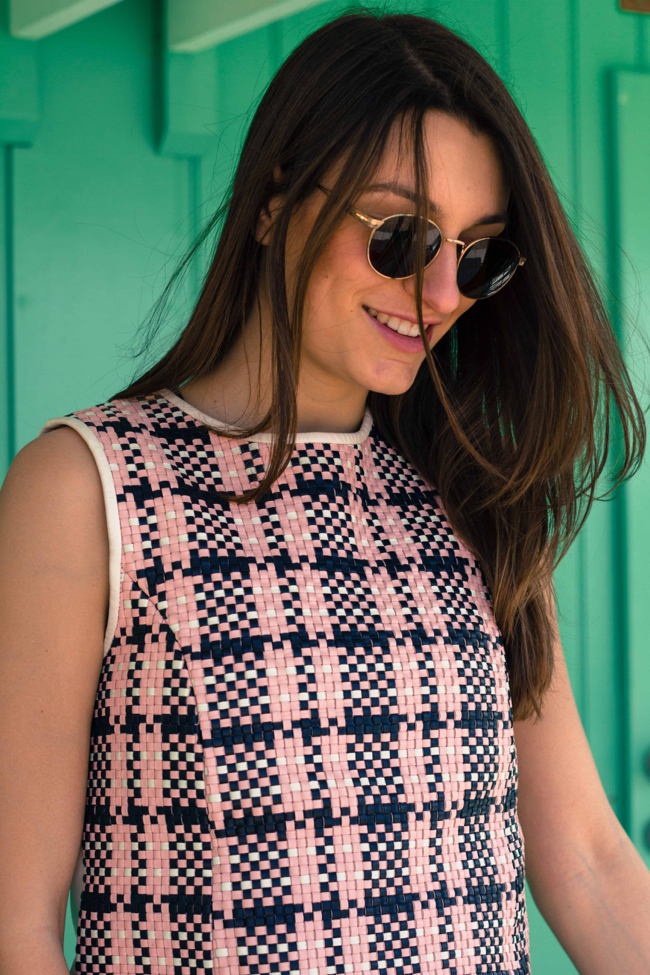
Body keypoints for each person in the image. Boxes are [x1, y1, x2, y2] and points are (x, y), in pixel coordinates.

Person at [1, 9, 649, 975]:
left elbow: (589, 864)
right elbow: (14, 923)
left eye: (477, 255)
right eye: (400, 236)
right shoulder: (89, 487)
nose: (441, 293)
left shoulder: (475, 501)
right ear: (275, 201)